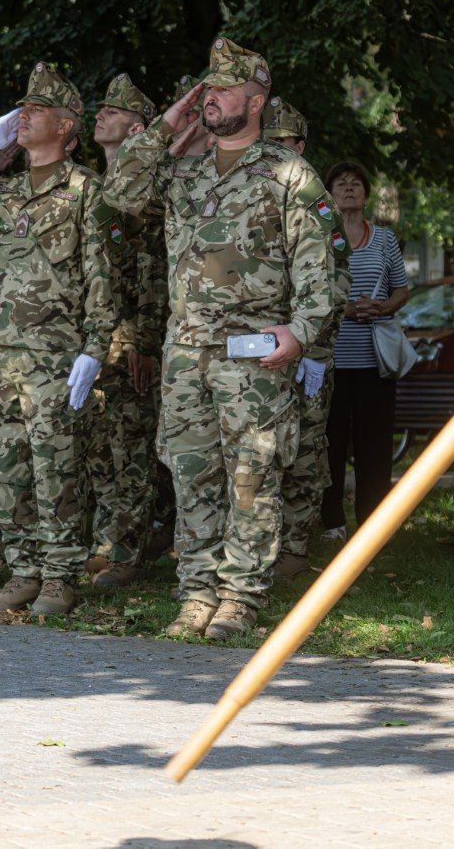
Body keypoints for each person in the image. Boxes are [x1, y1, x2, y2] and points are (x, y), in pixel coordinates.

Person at [104, 37, 338, 640]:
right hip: (187, 353)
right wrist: (166, 123)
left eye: (225, 88)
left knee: (252, 476)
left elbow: (319, 268)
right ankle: (197, 592)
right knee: (191, 473)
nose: (211, 97)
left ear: (256, 101)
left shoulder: (289, 174)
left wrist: (303, 333)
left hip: (253, 353)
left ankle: (239, 596)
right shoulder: (183, 172)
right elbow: (120, 195)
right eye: (206, 87)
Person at [0, 63, 118, 617]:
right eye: (21, 109)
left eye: (35, 110)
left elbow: (102, 273)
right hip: (0, 355)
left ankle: (60, 575)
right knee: (9, 471)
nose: (22, 116)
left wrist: (95, 347)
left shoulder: (86, 191)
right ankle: (23, 569)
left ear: (66, 127)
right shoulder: (0, 193)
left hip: (56, 354)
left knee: (55, 469)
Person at [84, 72, 167, 586]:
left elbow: (153, 271)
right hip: (93, 333)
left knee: (130, 443)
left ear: (137, 128)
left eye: (111, 112)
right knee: (97, 441)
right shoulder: (93, 185)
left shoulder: (151, 190)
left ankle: (129, 549)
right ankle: (105, 538)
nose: (101, 116)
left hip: (131, 332)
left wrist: (141, 339)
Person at [263, 97, 351, 577]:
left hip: (306, 346)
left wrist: (317, 348)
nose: (273, 152)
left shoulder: (315, 200)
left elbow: (336, 279)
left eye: (282, 143)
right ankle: (258, 545)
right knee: (260, 448)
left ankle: (295, 546)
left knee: (305, 445)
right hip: (260, 346)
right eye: (266, 142)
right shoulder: (254, 191)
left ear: (300, 146)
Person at [321, 159, 408, 535]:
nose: (349, 187)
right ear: (329, 193)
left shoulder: (385, 239)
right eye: (341, 183)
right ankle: (331, 520)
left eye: (357, 182)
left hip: (375, 360)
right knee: (331, 442)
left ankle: (374, 522)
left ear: (367, 194)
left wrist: (385, 305)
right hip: (330, 360)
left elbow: (402, 288)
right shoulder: (318, 235)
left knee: (374, 443)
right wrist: (346, 309)